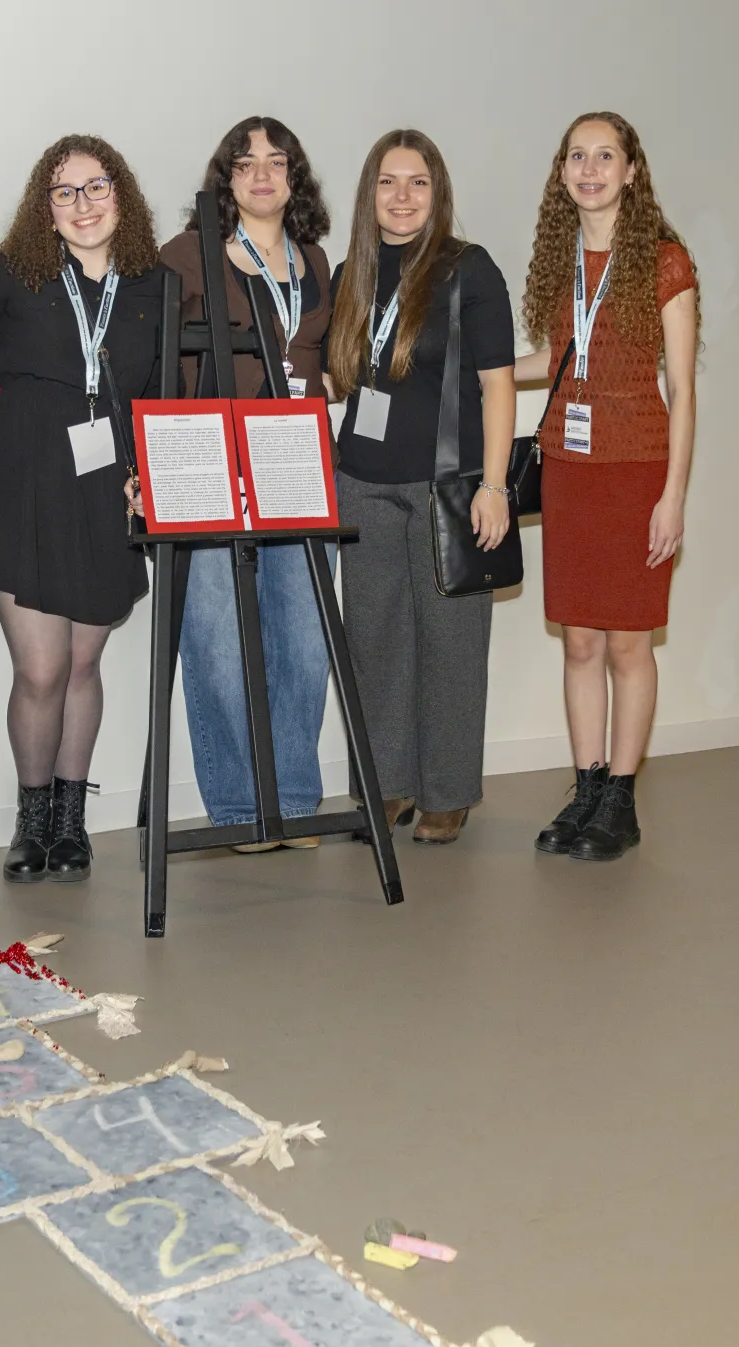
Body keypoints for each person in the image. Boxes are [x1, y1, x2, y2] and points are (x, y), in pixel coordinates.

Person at [0, 134, 161, 884]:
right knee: (41, 669)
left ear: (122, 194)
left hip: (107, 487)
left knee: (84, 662)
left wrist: (152, 475)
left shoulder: (153, 282)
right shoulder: (10, 273)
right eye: (64, 192)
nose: (82, 204)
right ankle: (30, 819)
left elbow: (161, 397)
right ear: (42, 207)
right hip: (24, 480)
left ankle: (71, 822)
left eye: (96, 187)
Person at [325, 129, 515, 845]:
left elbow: (498, 388)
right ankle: (388, 786)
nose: (401, 198)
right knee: (374, 642)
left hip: (448, 488)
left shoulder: (470, 271)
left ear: (438, 196)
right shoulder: (353, 271)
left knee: (452, 644)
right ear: (369, 194)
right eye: (387, 183)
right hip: (362, 483)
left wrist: (493, 486)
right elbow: (343, 378)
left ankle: (446, 792)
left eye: (417, 184)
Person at [518, 113, 698, 862]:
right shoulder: (561, 263)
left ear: (631, 171)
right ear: (562, 172)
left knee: (629, 643)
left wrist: (674, 497)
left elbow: (683, 390)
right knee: (580, 641)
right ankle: (587, 788)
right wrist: (472, 365)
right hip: (569, 467)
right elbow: (551, 360)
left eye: (605, 156)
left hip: (636, 473)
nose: (589, 168)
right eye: (576, 156)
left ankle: (621, 800)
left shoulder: (664, 262)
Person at [160, 117, 335, 849]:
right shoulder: (187, 257)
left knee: (303, 641)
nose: (261, 174)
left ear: (294, 177)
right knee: (219, 644)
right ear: (224, 179)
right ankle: (237, 806)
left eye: (276, 161)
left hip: (296, 467)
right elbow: (162, 369)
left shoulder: (317, 262)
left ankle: (293, 798)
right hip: (211, 471)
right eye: (245, 163)